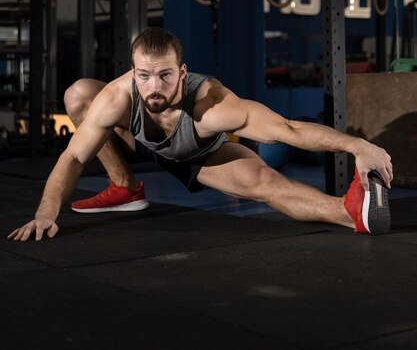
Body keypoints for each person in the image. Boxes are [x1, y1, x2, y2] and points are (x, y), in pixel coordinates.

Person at [8, 27, 393, 242]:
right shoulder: (118, 97)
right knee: (78, 95)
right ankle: (123, 186)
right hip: (138, 141)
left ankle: (349, 212)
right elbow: (74, 157)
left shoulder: (212, 106)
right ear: (132, 73)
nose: (153, 86)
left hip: (199, 156)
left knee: (263, 181)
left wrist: (357, 145)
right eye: (143, 76)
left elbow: (286, 130)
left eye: (165, 75)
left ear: (182, 71)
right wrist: (45, 214)